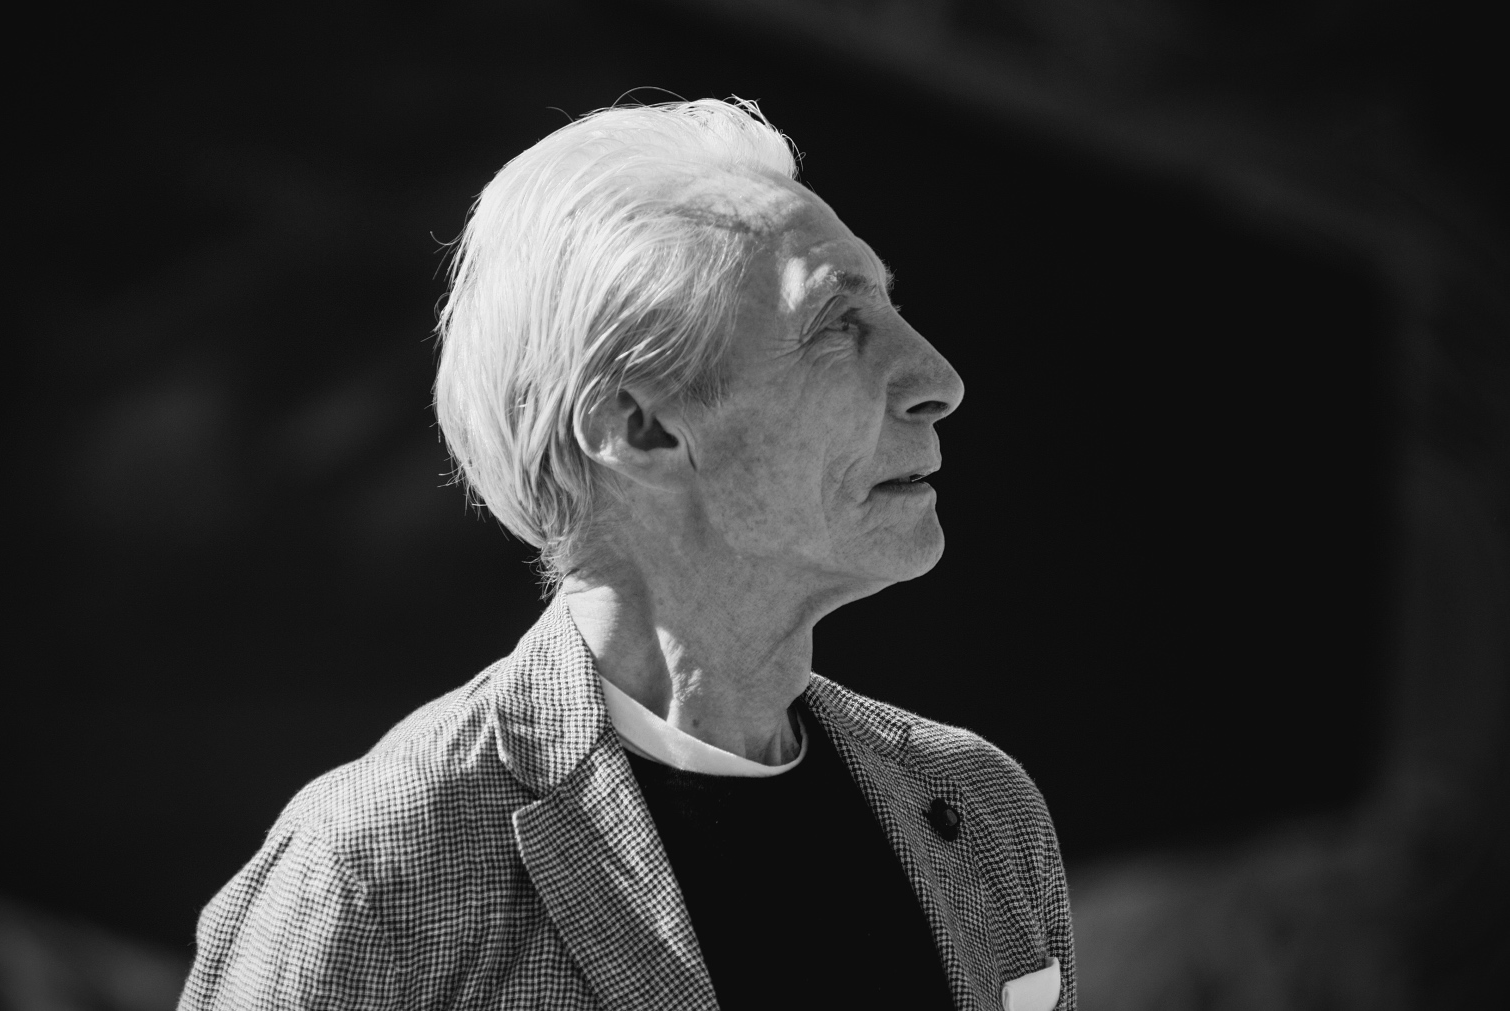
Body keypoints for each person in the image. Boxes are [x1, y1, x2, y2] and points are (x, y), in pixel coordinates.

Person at [179, 98, 1074, 1011]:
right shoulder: (381, 868)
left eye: (891, 308)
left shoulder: (982, 808)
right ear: (639, 426)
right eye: (837, 324)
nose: (937, 380)